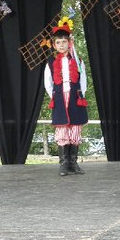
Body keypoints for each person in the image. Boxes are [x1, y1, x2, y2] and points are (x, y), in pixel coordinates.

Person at [44, 23, 88, 176]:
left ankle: (73, 163)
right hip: (60, 98)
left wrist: (80, 94)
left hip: (75, 98)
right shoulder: (50, 62)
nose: (61, 45)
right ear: (54, 45)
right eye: (58, 42)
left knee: (75, 129)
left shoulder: (77, 60)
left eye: (64, 42)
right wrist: (55, 96)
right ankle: (63, 164)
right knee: (62, 129)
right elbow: (48, 83)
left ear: (69, 43)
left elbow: (83, 80)